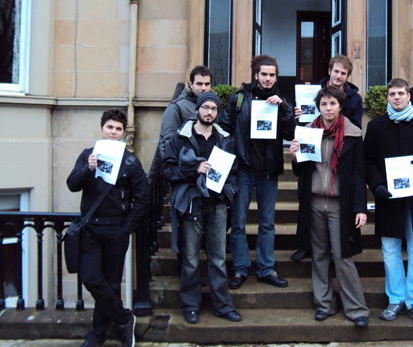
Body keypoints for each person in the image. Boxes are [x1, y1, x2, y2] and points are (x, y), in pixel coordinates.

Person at [66, 109, 150, 347]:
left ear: (124, 133)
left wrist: (127, 228)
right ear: (102, 129)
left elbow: (143, 197)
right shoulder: (87, 155)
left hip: (116, 230)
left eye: (118, 129)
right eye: (110, 127)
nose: (113, 132)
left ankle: (97, 336)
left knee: (112, 283)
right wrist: (88, 169)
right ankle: (124, 318)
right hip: (91, 228)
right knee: (91, 277)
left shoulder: (130, 161)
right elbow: (72, 184)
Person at [364, 78, 413, 328]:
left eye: (400, 93)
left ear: (409, 96)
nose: (396, 97)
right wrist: (377, 187)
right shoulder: (376, 126)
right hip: (389, 199)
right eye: (392, 93)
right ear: (387, 97)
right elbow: (368, 163)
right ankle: (396, 298)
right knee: (390, 252)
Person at [290, 86, 370, 327]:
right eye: (324, 104)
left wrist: (361, 208)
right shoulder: (308, 132)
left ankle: (356, 309)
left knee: (344, 256)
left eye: (332, 104)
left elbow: (358, 174)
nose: (328, 108)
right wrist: (295, 157)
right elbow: (300, 171)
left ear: (340, 106)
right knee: (319, 256)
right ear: (319, 107)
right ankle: (324, 304)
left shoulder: (353, 134)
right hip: (314, 203)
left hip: (340, 206)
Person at [161, 92, 241, 324]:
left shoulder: (225, 139)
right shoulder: (180, 138)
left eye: (213, 109)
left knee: (217, 258)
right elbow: (167, 170)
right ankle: (190, 305)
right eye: (205, 107)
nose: (209, 112)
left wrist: (229, 194)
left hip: (217, 205)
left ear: (217, 112)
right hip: (191, 205)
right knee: (191, 259)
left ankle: (222, 306)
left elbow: (233, 172)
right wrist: (193, 170)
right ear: (197, 110)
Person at [220, 55, 296, 289]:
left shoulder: (282, 100)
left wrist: (284, 108)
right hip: (243, 169)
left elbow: (291, 132)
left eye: (272, 75)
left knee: (267, 223)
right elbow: (223, 129)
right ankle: (240, 268)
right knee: (239, 222)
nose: (268, 78)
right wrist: (234, 151)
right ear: (256, 75)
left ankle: (265, 268)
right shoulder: (240, 98)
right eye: (264, 74)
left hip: (268, 171)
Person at [291, 54, 364, 262]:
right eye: (336, 71)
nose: (339, 76)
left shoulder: (354, 98)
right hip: (315, 147)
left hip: (340, 150)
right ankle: (306, 246)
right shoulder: (314, 92)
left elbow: (356, 128)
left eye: (343, 73)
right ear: (329, 71)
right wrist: (300, 115)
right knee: (310, 218)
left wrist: (336, 129)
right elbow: (307, 121)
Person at [158, 65, 213, 158]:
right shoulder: (177, 107)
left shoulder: (214, 105)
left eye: (207, 84)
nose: (203, 88)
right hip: (184, 166)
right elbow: (167, 141)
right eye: (199, 84)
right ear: (191, 84)